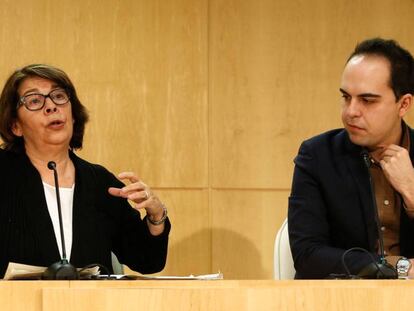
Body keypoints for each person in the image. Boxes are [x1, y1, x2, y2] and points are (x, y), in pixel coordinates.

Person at [0, 64, 170, 278]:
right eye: (35, 100)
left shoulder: (100, 184)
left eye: (59, 96)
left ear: (72, 116)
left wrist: (156, 215)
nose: (51, 106)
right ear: (15, 125)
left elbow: (147, 261)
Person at [288, 38, 414, 279]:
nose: (350, 112)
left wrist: (412, 191)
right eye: (346, 97)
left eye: (367, 100)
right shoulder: (317, 156)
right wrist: (399, 268)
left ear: (403, 104)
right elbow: (307, 255)